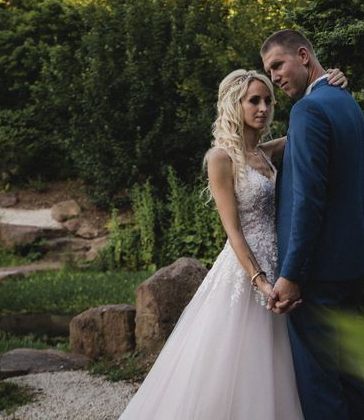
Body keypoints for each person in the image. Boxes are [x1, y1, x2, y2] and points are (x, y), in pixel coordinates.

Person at [118, 67, 348, 419]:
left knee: (280, 360)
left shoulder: (267, 153)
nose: (263, 108)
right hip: (246, 271)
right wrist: (260, 281)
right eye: (253, 100)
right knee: (234, 361)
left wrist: (330, 85)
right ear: (234, 105)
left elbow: (308, 126)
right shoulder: (220, 158)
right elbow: (233, 232)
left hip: (281, 262)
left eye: (269, 100)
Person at [261, 29, 364, 419]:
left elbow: (309, 199)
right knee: (347, 375)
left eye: (278, 65)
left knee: (319, 383)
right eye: (269, 71)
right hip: (350, 265)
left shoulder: (308, 110)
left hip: (318, 273)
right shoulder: (346, 102)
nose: (275, 77)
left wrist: (292, 274)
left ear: (304, 56)